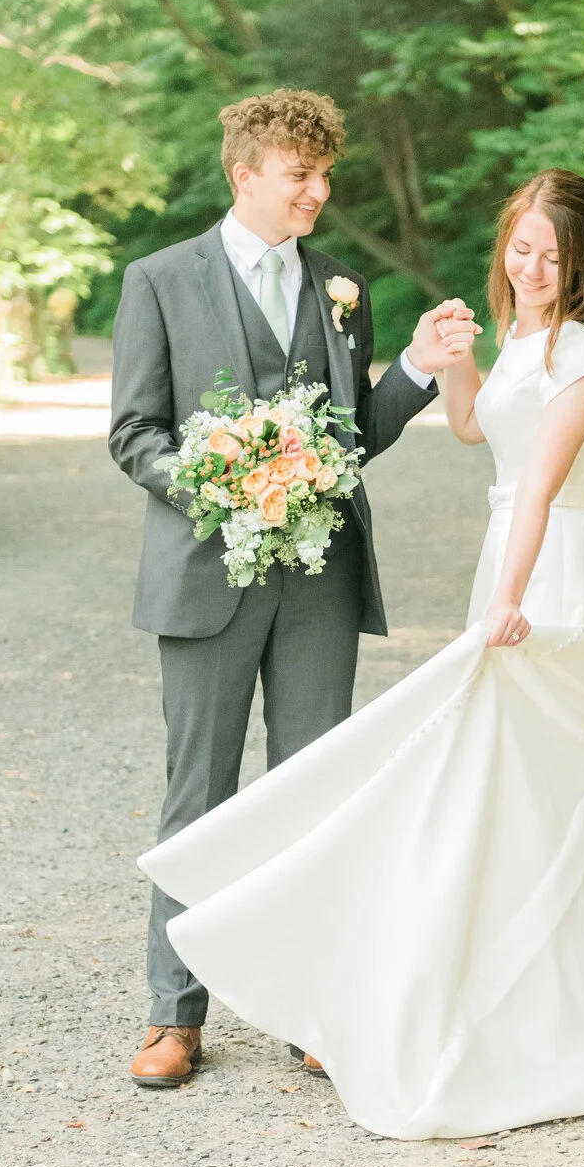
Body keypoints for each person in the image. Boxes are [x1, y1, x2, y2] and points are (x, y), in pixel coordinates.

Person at [141, 168, 584, 1137]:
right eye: (520, 248)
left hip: (550, 575)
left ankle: (570, 1014)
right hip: (489, 568)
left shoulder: (583, 358)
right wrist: (447, 362)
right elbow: (479, 427)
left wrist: (510, 599)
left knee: (543, 797)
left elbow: (533, 493)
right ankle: (186, 1010)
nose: (531, 266)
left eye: (552, 256)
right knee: (487, 794)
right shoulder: (525, 336)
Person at [108, 88, 478, 1087]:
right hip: (206, 575)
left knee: (317, 801)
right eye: (298, 175)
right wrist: (220, 480)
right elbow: (133, 432)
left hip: (318, 577)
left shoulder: (341, 289)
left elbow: (352, 434)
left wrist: (418, 366)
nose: (317, 191)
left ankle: (309, 1007)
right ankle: (173, 1015)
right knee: (202, 795)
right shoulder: (159, 280)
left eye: (324, 177)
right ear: (245, 175)